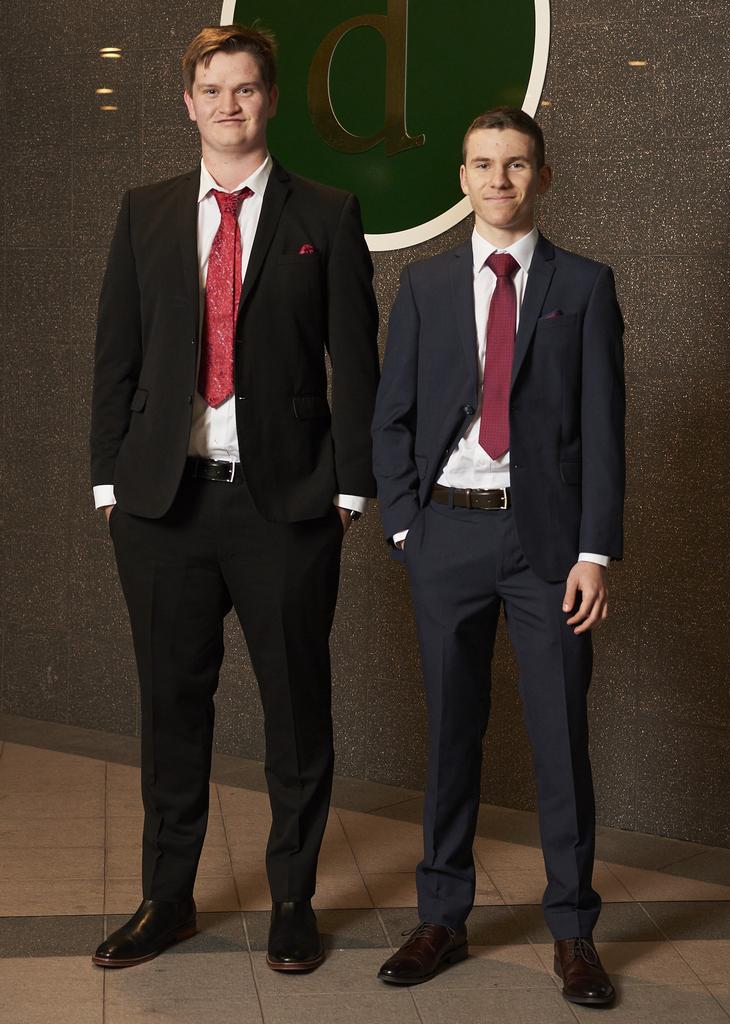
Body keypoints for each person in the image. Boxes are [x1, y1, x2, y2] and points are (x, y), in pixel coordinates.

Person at [89, 24, 379, 972]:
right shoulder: (147, 211)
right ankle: (166, 898)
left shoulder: (327, 214)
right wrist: (107, 481)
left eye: (246, 89)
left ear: (270, 99)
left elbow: (357, 367)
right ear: (188, 102)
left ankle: (292, 899)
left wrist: (348, 490)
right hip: (161, 507)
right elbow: (117, 356)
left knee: (297, 710)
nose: (229, 105)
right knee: (173, 709)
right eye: (212, 90)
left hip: (285, 507)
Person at [371, 107, 624, 1005]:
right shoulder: (426, 288)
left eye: (516, 166)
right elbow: (390, 415)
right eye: (482, 164)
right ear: (463, 177)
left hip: (548, 548)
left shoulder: (585, 285)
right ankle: (440, 916)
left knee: (561, 737)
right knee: (450, 735)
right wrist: (406, 527)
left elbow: (602, 432)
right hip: (447, 534)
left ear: (542, 177)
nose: (498, 181)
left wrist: (594, 552)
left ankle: (573, 931)